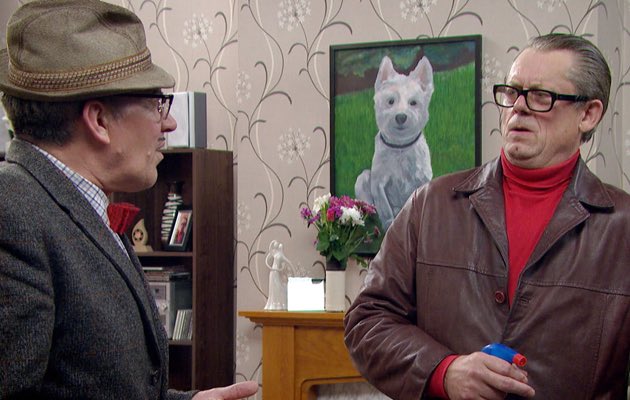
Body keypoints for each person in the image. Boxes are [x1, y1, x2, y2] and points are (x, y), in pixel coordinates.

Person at [344, 33, 630, 399]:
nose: (518, 108)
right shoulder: (431, 206)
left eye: (541, 96)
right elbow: (367, 320)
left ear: (588, 114)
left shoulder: (621, 229)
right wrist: (443, 371)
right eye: (512, 92)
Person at [0, 1, 257, 399]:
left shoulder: (75, 205)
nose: (168, 122)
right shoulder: (12, 213)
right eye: (156, 104)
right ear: (99, 120)